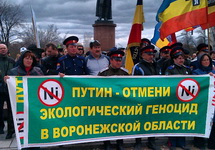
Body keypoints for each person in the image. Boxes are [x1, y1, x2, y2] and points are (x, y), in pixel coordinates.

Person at [4, 50, 43, 150]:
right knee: (23, 129)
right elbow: (9, 91)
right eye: (26, 58)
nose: (29, 60)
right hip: (21, 106)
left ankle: (35, 145)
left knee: (35, 128)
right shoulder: (13, 72)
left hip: (35, 105)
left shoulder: (38, 71)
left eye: (31, 58)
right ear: (22, 59)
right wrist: (7, 82)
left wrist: (60, 78)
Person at [98, 49, 128, 150]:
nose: (118, 62)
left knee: (120, 122)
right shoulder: (103, 73)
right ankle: (107, 142)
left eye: (120, 60)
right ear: (111, 60)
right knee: (107, 123)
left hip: (121, 103)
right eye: (116, 60)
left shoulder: (125, 73)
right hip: (107, 103)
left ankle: (120, 142)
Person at [132, 45, 161, 150]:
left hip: (155, 98)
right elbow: (133, 84)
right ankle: (138, 141)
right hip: (142, 98)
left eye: (152, 54)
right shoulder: (138, 67)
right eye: (148, 54)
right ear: (142, 55)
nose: (151, 56)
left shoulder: (157, 66)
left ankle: (151, 141)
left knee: (152, 120)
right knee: (140, 120)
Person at [165, 47, 191, 150]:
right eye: (179, 58)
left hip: (185, 99)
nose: (181, 60)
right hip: (174, 99)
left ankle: (181, 142)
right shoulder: (170, 70)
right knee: (173, 121)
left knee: (183, 120)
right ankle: (172, 143)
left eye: (182, 58)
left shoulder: (187, 69)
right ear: (174, 59)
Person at [192, 53, 215, 150]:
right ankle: (199, 142)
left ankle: (212, 143)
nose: (206, 62)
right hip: (201, 102)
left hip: (212, 101)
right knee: (201, 120)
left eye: (208, 60)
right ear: (200, 62)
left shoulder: (213, 71)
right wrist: (206, 77)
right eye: (204, 60)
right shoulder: (196, 72)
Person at [0, 43, 15, 139]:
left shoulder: (12, 61)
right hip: (0, 88)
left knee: (11, 110)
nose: (3, 50)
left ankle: (11, 130)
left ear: (7, 49)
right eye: (1, 48)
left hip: (10, 89)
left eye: (4, 48)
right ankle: (0, 128)